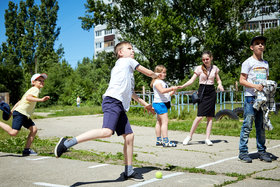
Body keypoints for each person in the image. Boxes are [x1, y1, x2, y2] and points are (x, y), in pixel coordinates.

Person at [54, 41, 158, 182]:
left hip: (119, 104)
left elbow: (132, 93)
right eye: (129, 48)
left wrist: (145, 104)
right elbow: (148, 72)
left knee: (129, 136)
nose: (132, 51)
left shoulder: (126, 70)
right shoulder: (127, 61)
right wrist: (157, 75)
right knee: (107, 132)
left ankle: (129, 171)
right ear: (120, 53)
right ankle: (66, 143)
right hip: (112, 101)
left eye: (133, 49)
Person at [178, 51, 224, 146]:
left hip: (211, 92)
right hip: (202, 91)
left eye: (207, 59)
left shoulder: (215, 68)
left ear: (211, 58)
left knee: (210, 117)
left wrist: (220, 85)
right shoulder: (199, 68)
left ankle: (207, 138)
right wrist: (182, 86)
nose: (205, 61)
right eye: (203, 59)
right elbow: (191, 80)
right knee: (199, 116)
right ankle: (189, 136)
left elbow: (218, 80)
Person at [238, 35, 272, 163]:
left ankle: (262, 151)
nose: (260, 45)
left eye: (262, 43)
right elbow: (241, 80)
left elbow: (266, 80)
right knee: (247, 125)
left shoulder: (265, 64)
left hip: (262, 98)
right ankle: (243, 152)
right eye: (257, 43)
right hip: (250, 98)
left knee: (261, 126)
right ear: (252, 47)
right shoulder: (248, 62)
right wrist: (255, 86)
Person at [0, 73, 50, 156]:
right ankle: (26, 150)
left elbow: (20, 101)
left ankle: (26, 150)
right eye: (39, 80)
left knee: (34, 129)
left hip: (23, 113)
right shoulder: (35, 89)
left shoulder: (31, 90)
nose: (42, 82)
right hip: (21, 113)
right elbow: (28, 98)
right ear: (33, 82)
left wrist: (11, 112)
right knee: (13, 133)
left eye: (43, 81)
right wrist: (41, 100)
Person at [151, 65, 177, 147]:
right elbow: (162, 91)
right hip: (160, 104)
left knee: (159, 122)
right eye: (163, 72)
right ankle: (166, 141)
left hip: (159, 103)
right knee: (164, 122)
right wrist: (172, 88)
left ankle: (159, 140)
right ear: (158, 73)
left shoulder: (161, 82)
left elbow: (165, 94)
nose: (165, 74)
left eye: (165, 72)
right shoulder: (158, 82)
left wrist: (172, 92)